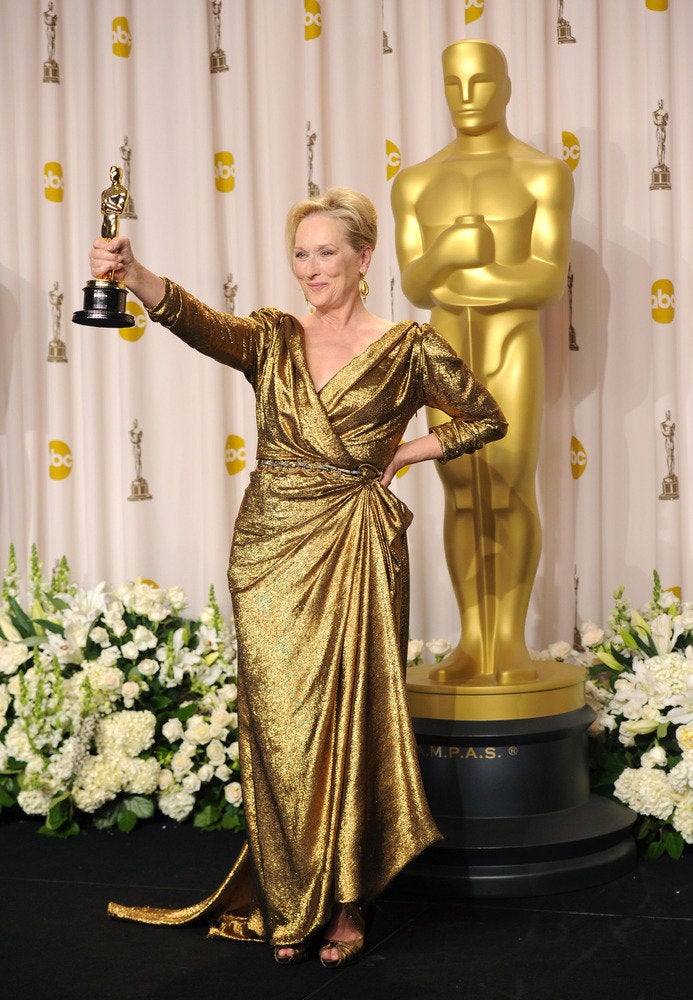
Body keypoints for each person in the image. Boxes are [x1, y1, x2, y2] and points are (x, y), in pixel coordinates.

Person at [91, 188, 507, 966]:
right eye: (301, 254)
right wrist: (134, 273)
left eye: (326, 253)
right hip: (271, 549)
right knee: (282, 732)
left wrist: (402, 455)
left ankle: (347, 906)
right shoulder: (272, 338)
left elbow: (484, 416)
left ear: (363, 259)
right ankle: (292, 898)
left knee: (352, 721)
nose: (311, 268)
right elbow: (197, 322)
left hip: (354, 543)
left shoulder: (409, 345)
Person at [391, 40, 573, 683]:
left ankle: (510, 643)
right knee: (462, 492)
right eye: (453, 84)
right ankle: (473, 641)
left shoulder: (541, 174)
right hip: (445, 351)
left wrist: (466, 278)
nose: (466, 97)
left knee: (510, 484)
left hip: (510, 343)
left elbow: (547, 280)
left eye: (479, 82)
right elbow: (416, 285)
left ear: (506, 85)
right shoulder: (414, 181)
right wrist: (452, 253)